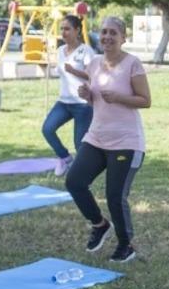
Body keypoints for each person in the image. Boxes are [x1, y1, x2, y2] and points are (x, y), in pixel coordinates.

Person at [64, 16, 150, 263]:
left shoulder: (133, 64)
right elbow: (97, 98)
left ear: (123, 38)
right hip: (96, 137)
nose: (107, 37)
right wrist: (87, 94)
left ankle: (126, 245)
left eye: (113, 33)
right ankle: (100, 224)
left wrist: (120, 97)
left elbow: (146, 100)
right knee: (74, 182)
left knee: (115, 196)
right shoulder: (94, 63)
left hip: (126, 142)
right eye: (103, 33)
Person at [42, 14, 95, 176]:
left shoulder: (86, 51)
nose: (63, 32)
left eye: (67, 29)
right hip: (64, 102)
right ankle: (65, 158)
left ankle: (82, 173)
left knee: (79, 143)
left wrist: (74, 71)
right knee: (47, 129)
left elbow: (93, 75)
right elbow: (59, 71)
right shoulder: (60, 51)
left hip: (82, 104)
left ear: (77, 30)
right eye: (62, 29)